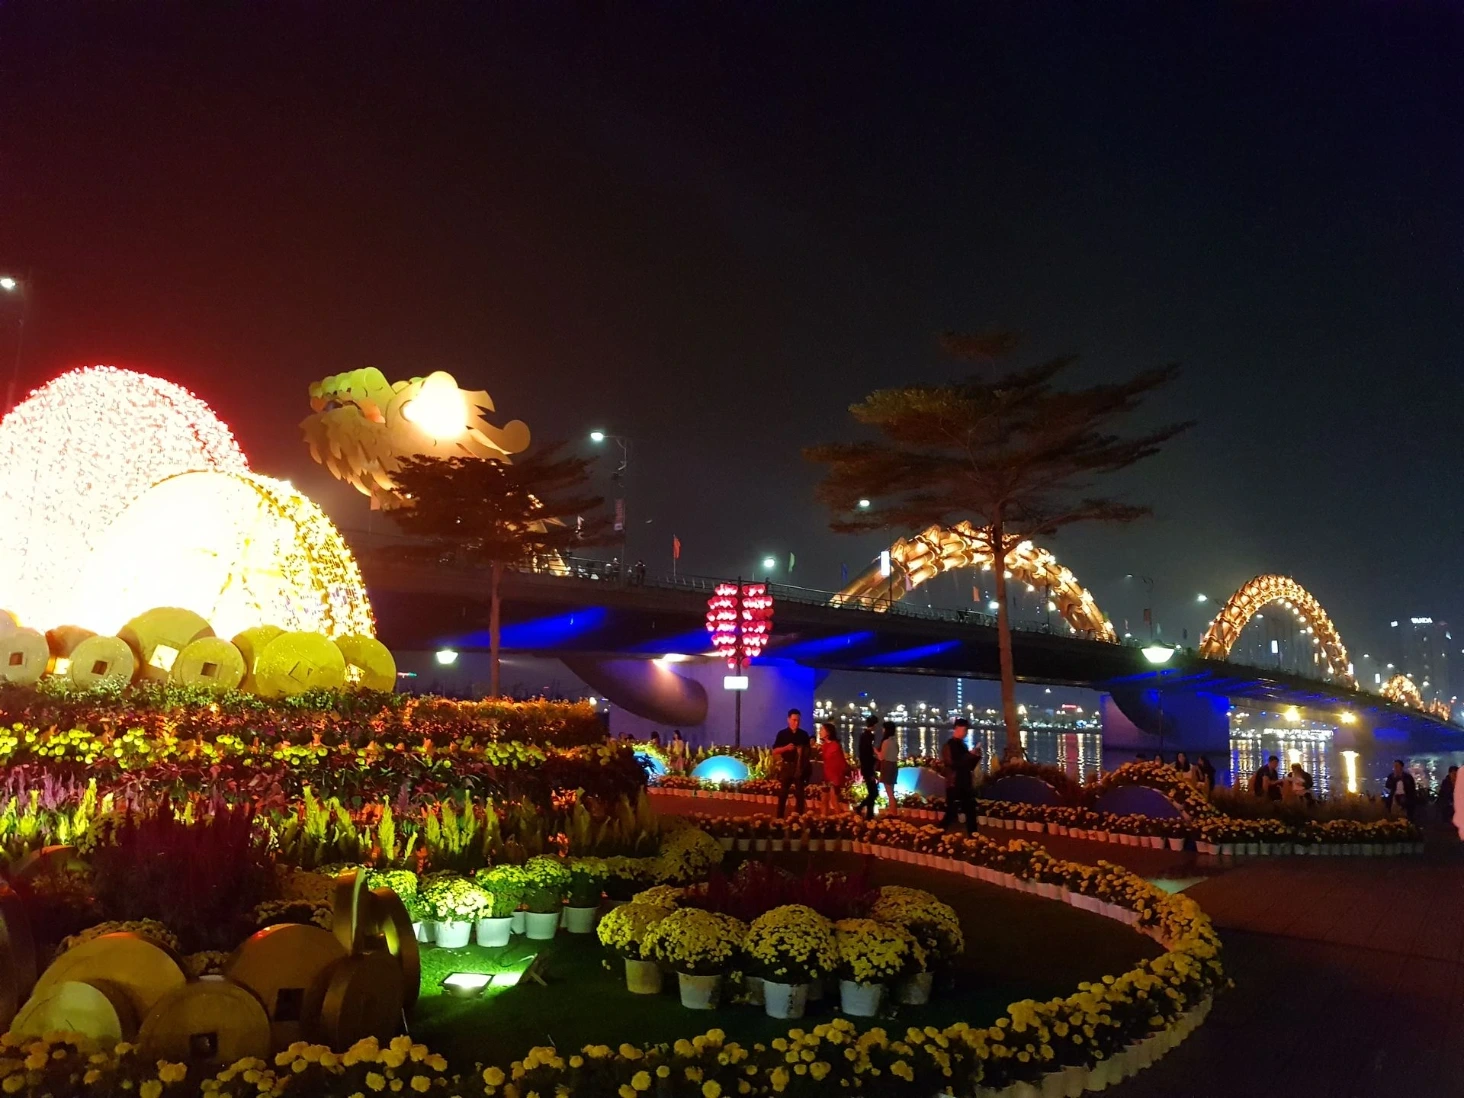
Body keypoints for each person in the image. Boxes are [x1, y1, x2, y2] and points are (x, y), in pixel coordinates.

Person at [940, 721, 980, 833]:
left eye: (966, 730)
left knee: (969, 811)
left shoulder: (962, 745)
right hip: (955, 783)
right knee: (952, 812)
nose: (965, 733)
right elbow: (952, 764)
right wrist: (970, 756)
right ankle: (937, 832)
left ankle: (973, 836)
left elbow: (968, 765)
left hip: (964, 781)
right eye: (964, 730)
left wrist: (975, 757)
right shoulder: (949, 746)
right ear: (956, 728)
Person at [772, 708, 811, 818]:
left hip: (799, 767)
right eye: (794, 720)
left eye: (798, 720)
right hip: (787, 766)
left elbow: (808, 752)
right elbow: (774, 751)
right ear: (788, 720)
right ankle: (779, 818)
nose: (796, 723)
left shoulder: (803, 735)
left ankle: (798, 818)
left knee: (799, 795)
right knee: (783, 794)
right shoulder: (782, 734)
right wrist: (785, 748)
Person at [817, 723, 849, 814]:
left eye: (822, 730)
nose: (820, 732)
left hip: (834, 777)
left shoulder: (835, 746)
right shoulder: (824, 746)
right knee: (824, 800)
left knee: (834, 801)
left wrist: (838, 778)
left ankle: (840, 822)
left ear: (828, 732)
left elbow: (840, 762)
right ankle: (824, 821)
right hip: (826, 776)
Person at [857, 716, 879, 819]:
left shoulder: (863, 735)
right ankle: (861, 807)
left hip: (866, 767)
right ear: (874, 724)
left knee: (872, 791)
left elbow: (863, 754)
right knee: (874, 792)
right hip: (868, 768)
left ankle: (869, 814)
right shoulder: (868, 736)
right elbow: (867, 754)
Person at [877, 721, 901, 817]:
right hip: (894, 765)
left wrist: (876, 751)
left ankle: (893, 812)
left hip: (887, 765)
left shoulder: (886, 742)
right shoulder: (895, 742)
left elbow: (882, 757)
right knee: (891, 790)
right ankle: (893, 811)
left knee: (889, 792)